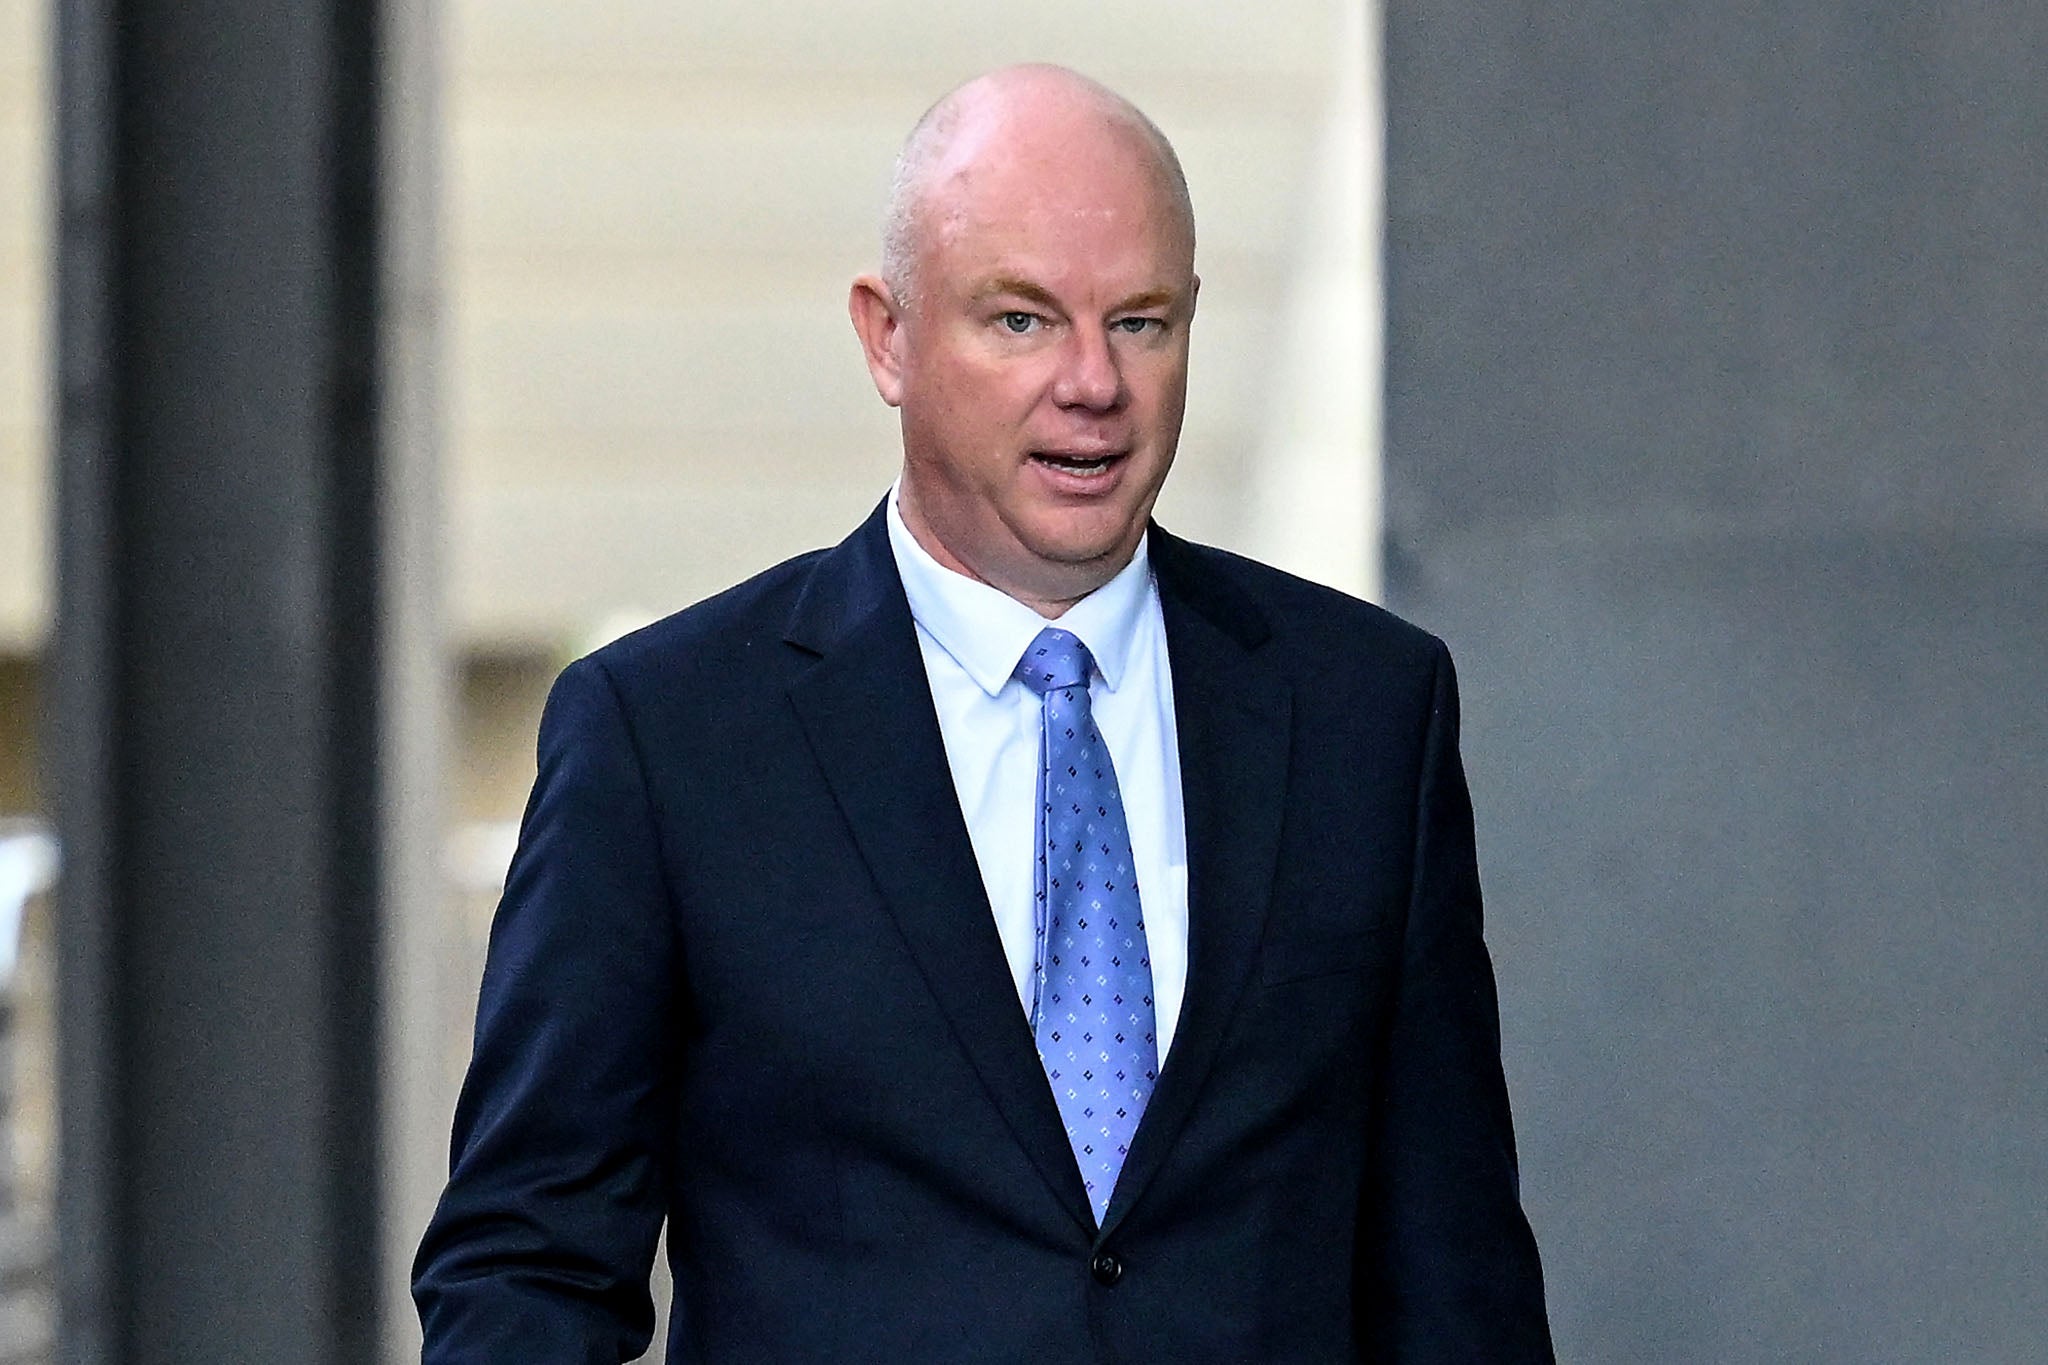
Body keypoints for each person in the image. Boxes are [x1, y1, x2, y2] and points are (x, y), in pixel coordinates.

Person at [414, 63, 1553, 1363]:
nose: (1091, 383)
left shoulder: (1368, 714)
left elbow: (1456, 1283)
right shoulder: (667, 738)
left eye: (1140, 323)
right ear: (887, 335)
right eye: (1021, 321)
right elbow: (526, 1271)